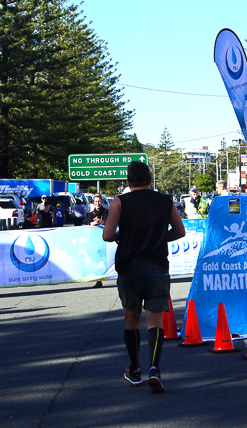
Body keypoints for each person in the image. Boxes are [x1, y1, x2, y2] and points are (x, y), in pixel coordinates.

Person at [102, 161, 185, 394]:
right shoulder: (165, 201)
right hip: (157, 265)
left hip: (130, 266)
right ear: (150, 180)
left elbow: (107, 235)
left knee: (132, 319)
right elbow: (180, 231)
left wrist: (124, 235)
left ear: (128, 183)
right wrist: (158, 239)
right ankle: (155, 368)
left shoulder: (120, 201)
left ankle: (135, 370)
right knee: (155, 321)